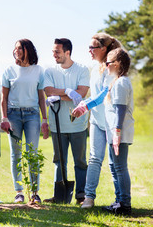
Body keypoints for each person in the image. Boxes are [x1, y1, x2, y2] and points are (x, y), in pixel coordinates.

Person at [78, 48, 134, 215]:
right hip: (114, 132)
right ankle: (120, 201)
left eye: (108, 63)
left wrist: (116, 132)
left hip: (118, 132)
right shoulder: (116, 82)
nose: (106, 66)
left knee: (120, 167)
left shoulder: (121, 83)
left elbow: (120, 110)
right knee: (115, 166)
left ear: (116, 64)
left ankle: (124, 204)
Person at [72, 33, 122, 209]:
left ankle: (120, 200)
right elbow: (94, 95)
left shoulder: (112, 67)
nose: (89, 51)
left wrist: (85, 107)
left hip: (109, 121)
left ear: (104, 49)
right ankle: (89, 198)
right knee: (94, 159)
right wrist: (83, 103)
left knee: (113, 163)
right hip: (96, 121)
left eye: (93, 48)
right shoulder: (94, 68)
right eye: (89, 48)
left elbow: (103, 95)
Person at [0, 39, 49, 203]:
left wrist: (44, 120)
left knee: (32, 154)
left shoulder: (38, 71)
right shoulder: (9, 70)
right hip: (13, 115)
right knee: (16, 155)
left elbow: (42, 97)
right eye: (15, 49)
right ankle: (19, 192)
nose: (17, 51)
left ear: (28, 50)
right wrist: (4, 118)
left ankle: (34, 193)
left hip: (32, 115)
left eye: (20, 48)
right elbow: (4, 98)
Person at [43, 38, 90, 204]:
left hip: (78, 124)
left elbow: (82, 92)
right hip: (57, 125)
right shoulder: (50, 71)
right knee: (59, 161)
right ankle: (60, 196)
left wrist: (61, 95)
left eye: (57, 51)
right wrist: (69, 92)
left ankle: (81, 195)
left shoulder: (82, 70)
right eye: (53, 51)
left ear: (67, 52)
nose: (54, 54)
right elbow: (49, 91)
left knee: (80, 161)